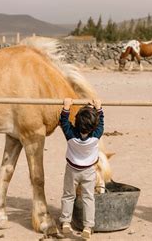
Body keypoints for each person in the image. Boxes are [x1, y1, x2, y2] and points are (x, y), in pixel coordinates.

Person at [59, 98, 104, 239]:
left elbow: (64, 122)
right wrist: (99, 108)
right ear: (94, 126)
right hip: (89, 171)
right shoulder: (96, 135)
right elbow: (101, 122)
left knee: (68, 195)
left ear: (76, 123)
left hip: (72, 170)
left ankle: (66, 222)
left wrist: (66, 108)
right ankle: (88, 226)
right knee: (88, 197)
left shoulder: (70, 134)